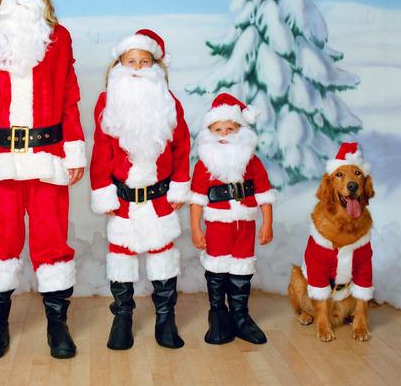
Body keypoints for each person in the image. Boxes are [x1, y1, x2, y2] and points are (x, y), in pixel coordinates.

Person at [0, 0, 86, 360]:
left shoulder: (60, 37)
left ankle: (57, 324)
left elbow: (70, 96)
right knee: (0, 242)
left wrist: (74, 151)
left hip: (48, 154)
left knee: (52, 243)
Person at [90, 30, 191, 350]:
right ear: (119, 64)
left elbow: (182, 148)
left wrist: (178, 186)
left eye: (144, 62)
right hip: (123, 200)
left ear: (156, 67)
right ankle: (122, 317)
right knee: (121, 258)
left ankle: (165, 318)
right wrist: (102, 189)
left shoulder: (169, 103)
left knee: (163, 258)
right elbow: (101, 150)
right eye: (130, 61)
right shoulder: (109, 101)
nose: (136, 67)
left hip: (160, 198)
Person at [189, 93, 276, 345]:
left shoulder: (252, 162)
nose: (224, 134)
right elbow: (196, 200)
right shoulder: (204, 165)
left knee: (241, 272)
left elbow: (263, 195)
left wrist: (267, 223)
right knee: (217, 271)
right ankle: (218, 315)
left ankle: (240, 316)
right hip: (217, 228)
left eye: (230, 128)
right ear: (209, 132)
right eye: (218, 130)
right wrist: (196, 229)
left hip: (245, 228)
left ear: (241, 130)